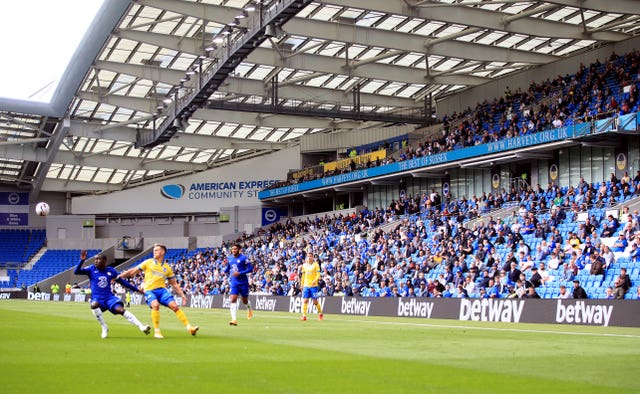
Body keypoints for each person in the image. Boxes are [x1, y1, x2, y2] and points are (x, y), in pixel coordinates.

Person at [118, 243, 198, 339]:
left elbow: (174, 284)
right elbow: (133, 271)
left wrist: (182, 295)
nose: (154, 252)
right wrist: (119, 277)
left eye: (156, 250)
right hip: (149, 291)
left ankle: (190, 328)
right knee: (155, 305)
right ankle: (157, 331)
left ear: (162, 252)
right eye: (154, 250)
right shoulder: (148, 262)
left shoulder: (167, 268)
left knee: (175, 306)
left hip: (162, 291)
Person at [74, 250, 150, 339]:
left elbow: (123, 282)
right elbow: (76, 271)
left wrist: (137, 289)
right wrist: (82, 260)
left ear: (104, 261)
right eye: (95, 259)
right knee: (94, 305)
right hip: (98, 299)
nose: (95, 261)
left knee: (121, 310)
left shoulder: (111, 271)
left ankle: (141, 327)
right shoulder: (91, 269)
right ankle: (104, 326)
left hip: (109, 298)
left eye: (98, 259)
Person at [224, 243, 254, 326]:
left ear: (239, 250)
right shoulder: (229, 258)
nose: (233, 250)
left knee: (245, 301)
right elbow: (228, 267)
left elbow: (250, 269)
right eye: (232, 249)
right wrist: (225, 271)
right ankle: (234, 319)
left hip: (243, 282)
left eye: (235, 249)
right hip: (234, 282)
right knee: (233, 299)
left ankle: (249, 309)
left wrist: (240, 273)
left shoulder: (244, 258)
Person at [299, 253, 324, 321]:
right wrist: (302, 284)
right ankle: (304, 316)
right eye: (308, 256)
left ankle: (320, 313)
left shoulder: (316, 265)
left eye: (311, 256)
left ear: (313, 257)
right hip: (306, 285)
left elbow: (318, 275)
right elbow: (303, 276)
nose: (309, 257)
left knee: (315, 302)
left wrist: (315, 280)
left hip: (314, 286)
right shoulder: (304, 265)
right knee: (305, 300)